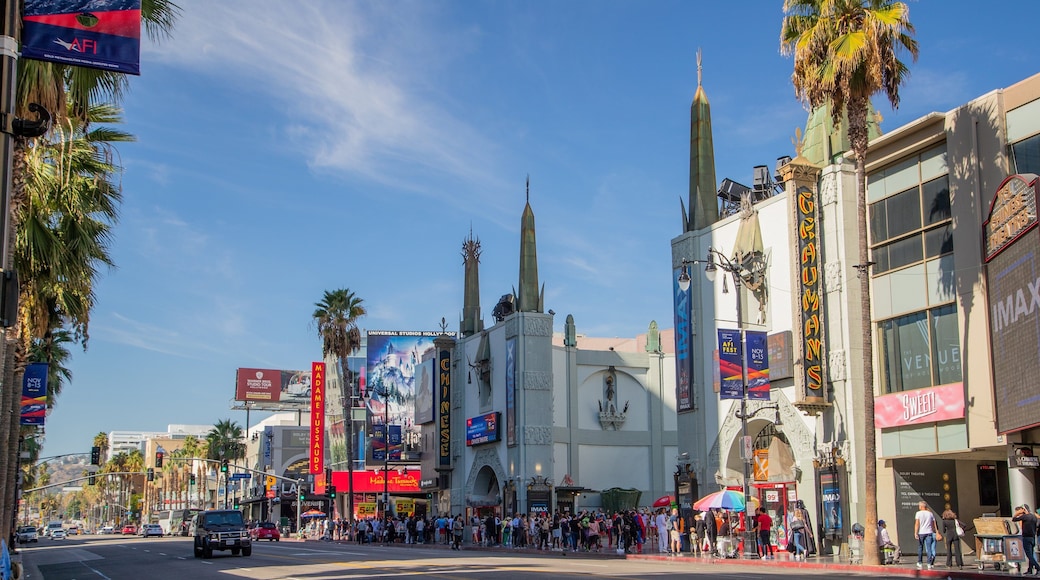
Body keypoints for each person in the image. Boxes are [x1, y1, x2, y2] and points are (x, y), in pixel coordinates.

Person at [1013, 505, 1039, 575]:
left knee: (1029, 555)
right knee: (1031, 554)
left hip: (1026, 537)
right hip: (1033, 537)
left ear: (1024, 509)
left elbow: (1014, 519)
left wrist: (1017, 513)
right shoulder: (1034, 517)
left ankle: (1038, 567)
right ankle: (1030, 569)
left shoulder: (1025, 517)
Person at [914, 501, 938, 570]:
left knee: (920, 547)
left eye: (919, 506)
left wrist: (915, 533)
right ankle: (929, 563)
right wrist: (934, 531)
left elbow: (917, 524)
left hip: (921, 532)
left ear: (921, 506)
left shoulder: (918, 513)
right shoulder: (930, 514)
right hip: (929, 532)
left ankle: (920, 562)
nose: (919, 507)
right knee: (929, 548)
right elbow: (933, 524)